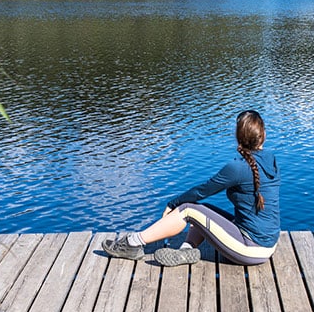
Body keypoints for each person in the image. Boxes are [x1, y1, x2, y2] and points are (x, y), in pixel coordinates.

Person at [102, 110, 280, 267]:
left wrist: (173, 203)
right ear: (263, 135)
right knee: (201, 209)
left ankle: (132, 243)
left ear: (238, 137)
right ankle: (187, 250)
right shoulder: (271, 160)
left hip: (250, 249)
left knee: (188, 209)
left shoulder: (238, 168)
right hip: (268, 244)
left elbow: (203, 190)